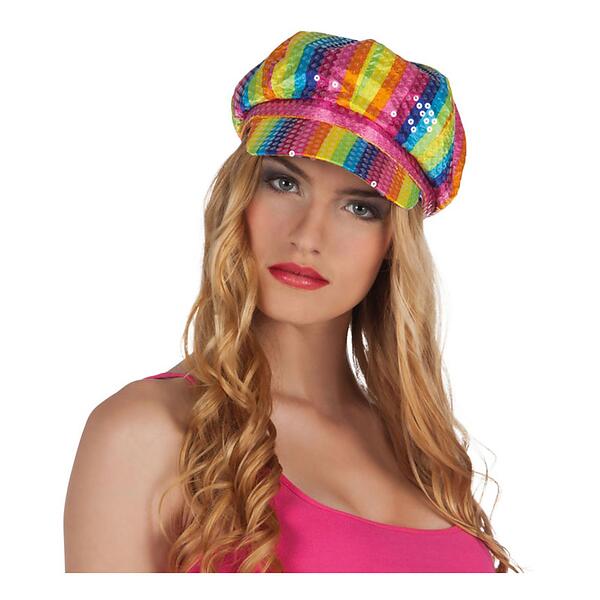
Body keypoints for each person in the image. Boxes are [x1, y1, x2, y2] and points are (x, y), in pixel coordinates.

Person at [63, 30, 523, 573]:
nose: (307, 236)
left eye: (360, 208)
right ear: (239, 196)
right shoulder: (146, 433)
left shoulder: (424, 451)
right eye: (284, 183)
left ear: (393, 246)